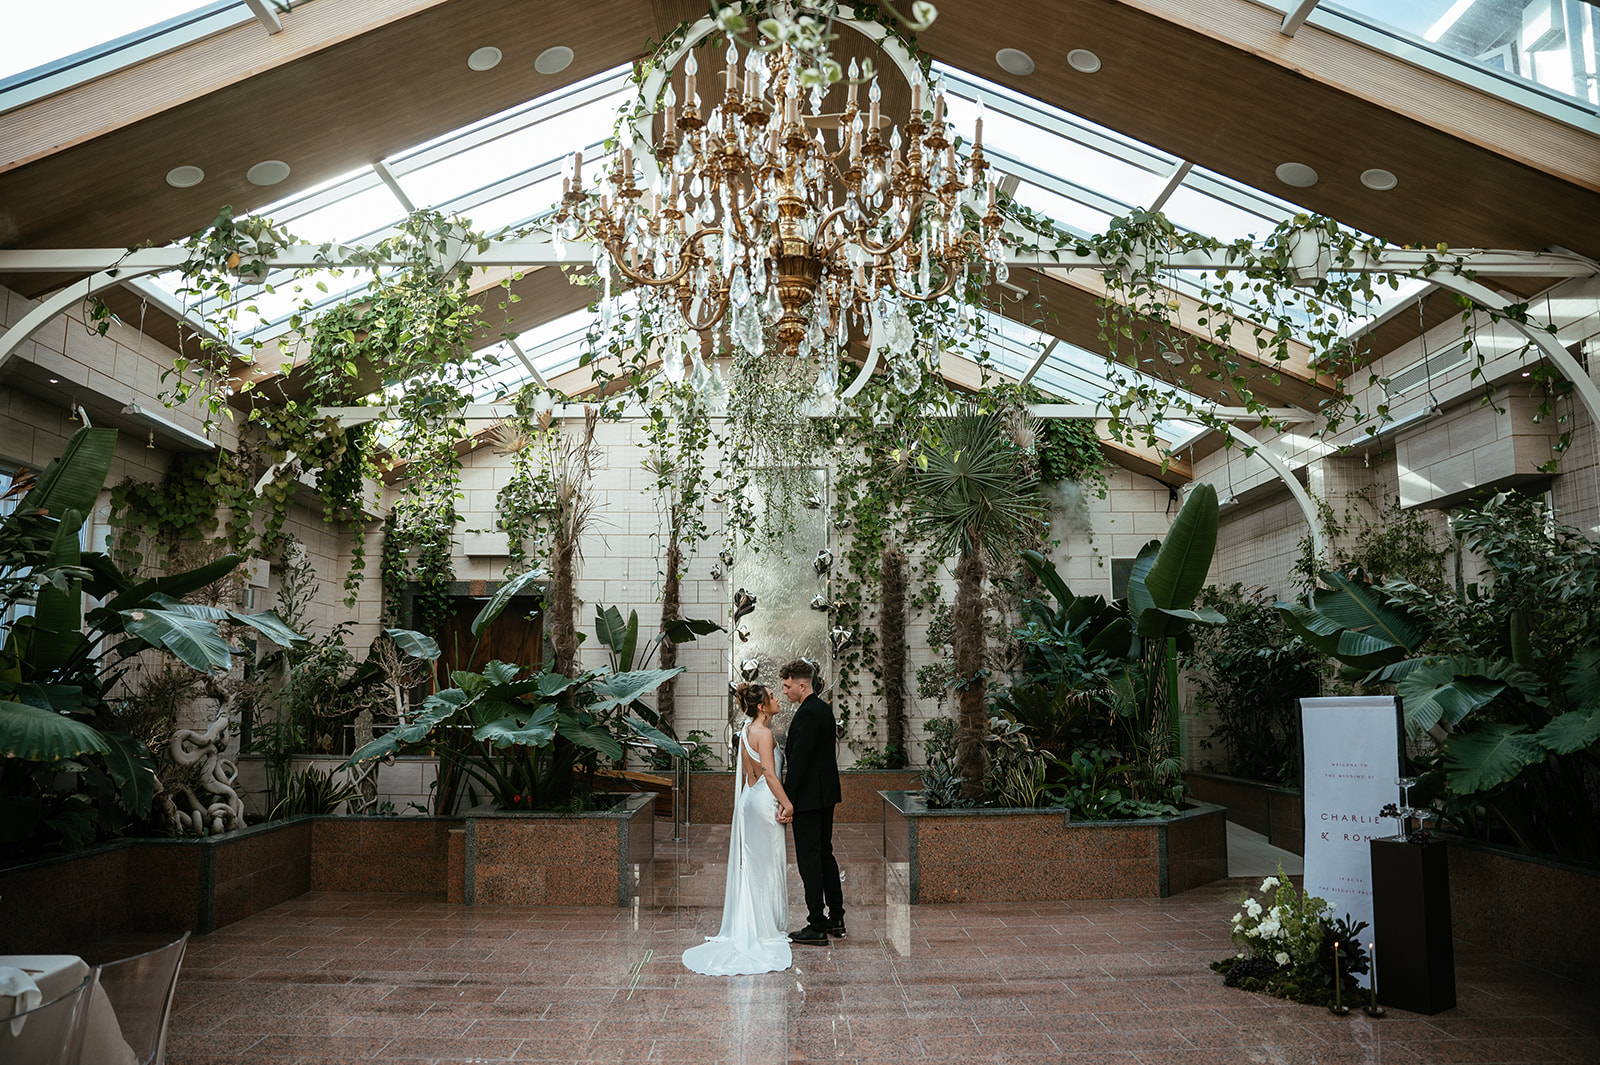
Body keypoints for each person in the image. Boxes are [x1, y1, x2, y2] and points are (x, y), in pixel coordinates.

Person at [682, 681, 795, 976]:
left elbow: (749, 774)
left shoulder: (746, 730)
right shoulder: (764, 733)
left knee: (754, 865)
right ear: (761, 706)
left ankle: (756, 920)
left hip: (749, 799)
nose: (777, 698)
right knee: (766, 865)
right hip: (764, 801)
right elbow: (769, 773)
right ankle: (764, 927)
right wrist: (787, 804)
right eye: (772, 696)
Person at [780, 659, 845, 945]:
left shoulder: (807, 713)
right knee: (824, 855)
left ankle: (816, 924)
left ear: (802, 684)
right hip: (825, 795)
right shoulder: (823, 709)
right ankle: (837, 918)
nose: (785, 691)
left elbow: (799, 762)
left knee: (809, 860)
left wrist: (786, 799)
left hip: (808, 798)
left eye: (787, 686)